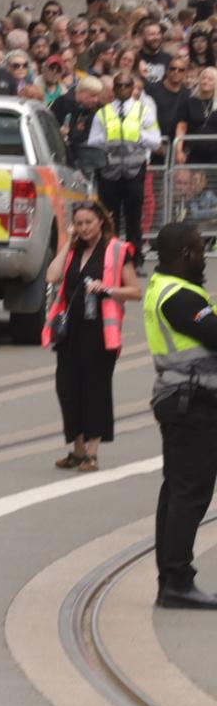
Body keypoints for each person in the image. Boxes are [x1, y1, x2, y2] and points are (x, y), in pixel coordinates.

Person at [142, 221, 217, 609]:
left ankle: (173, 578)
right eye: (201, 249)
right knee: (189, 492)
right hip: (191, 403)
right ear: (185, 254)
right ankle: (176, 581)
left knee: (177, 491)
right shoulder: (180, 297)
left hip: (183, 400)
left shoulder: (166, 287)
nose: (205, 255)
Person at [45, 200, 139, 472]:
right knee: (68, 389)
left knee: (95, 390)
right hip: (70, 332)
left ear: (101, 220)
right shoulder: (73, 251)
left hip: (100, 332)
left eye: (89, 222)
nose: (84, 228)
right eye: (79, 224)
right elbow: (52, 276)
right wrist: (68, 242)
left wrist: (107, 289)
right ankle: (77, 449)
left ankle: (92, 453)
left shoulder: (118, 250)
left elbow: (135, 291)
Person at [88, 70, 159, 264]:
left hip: (134, 170)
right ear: (113, 89)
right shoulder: (103, 113)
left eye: (127, 85)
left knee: (133, 218)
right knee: (110, 218)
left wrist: (138, 135)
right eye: (119, 85)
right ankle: (109, 258)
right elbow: (92, 142)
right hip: (109, 172)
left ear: (133, 88)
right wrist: (108, 138)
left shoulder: (143, 111)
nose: (123, 89)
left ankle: (134, 259)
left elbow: (156, 141)